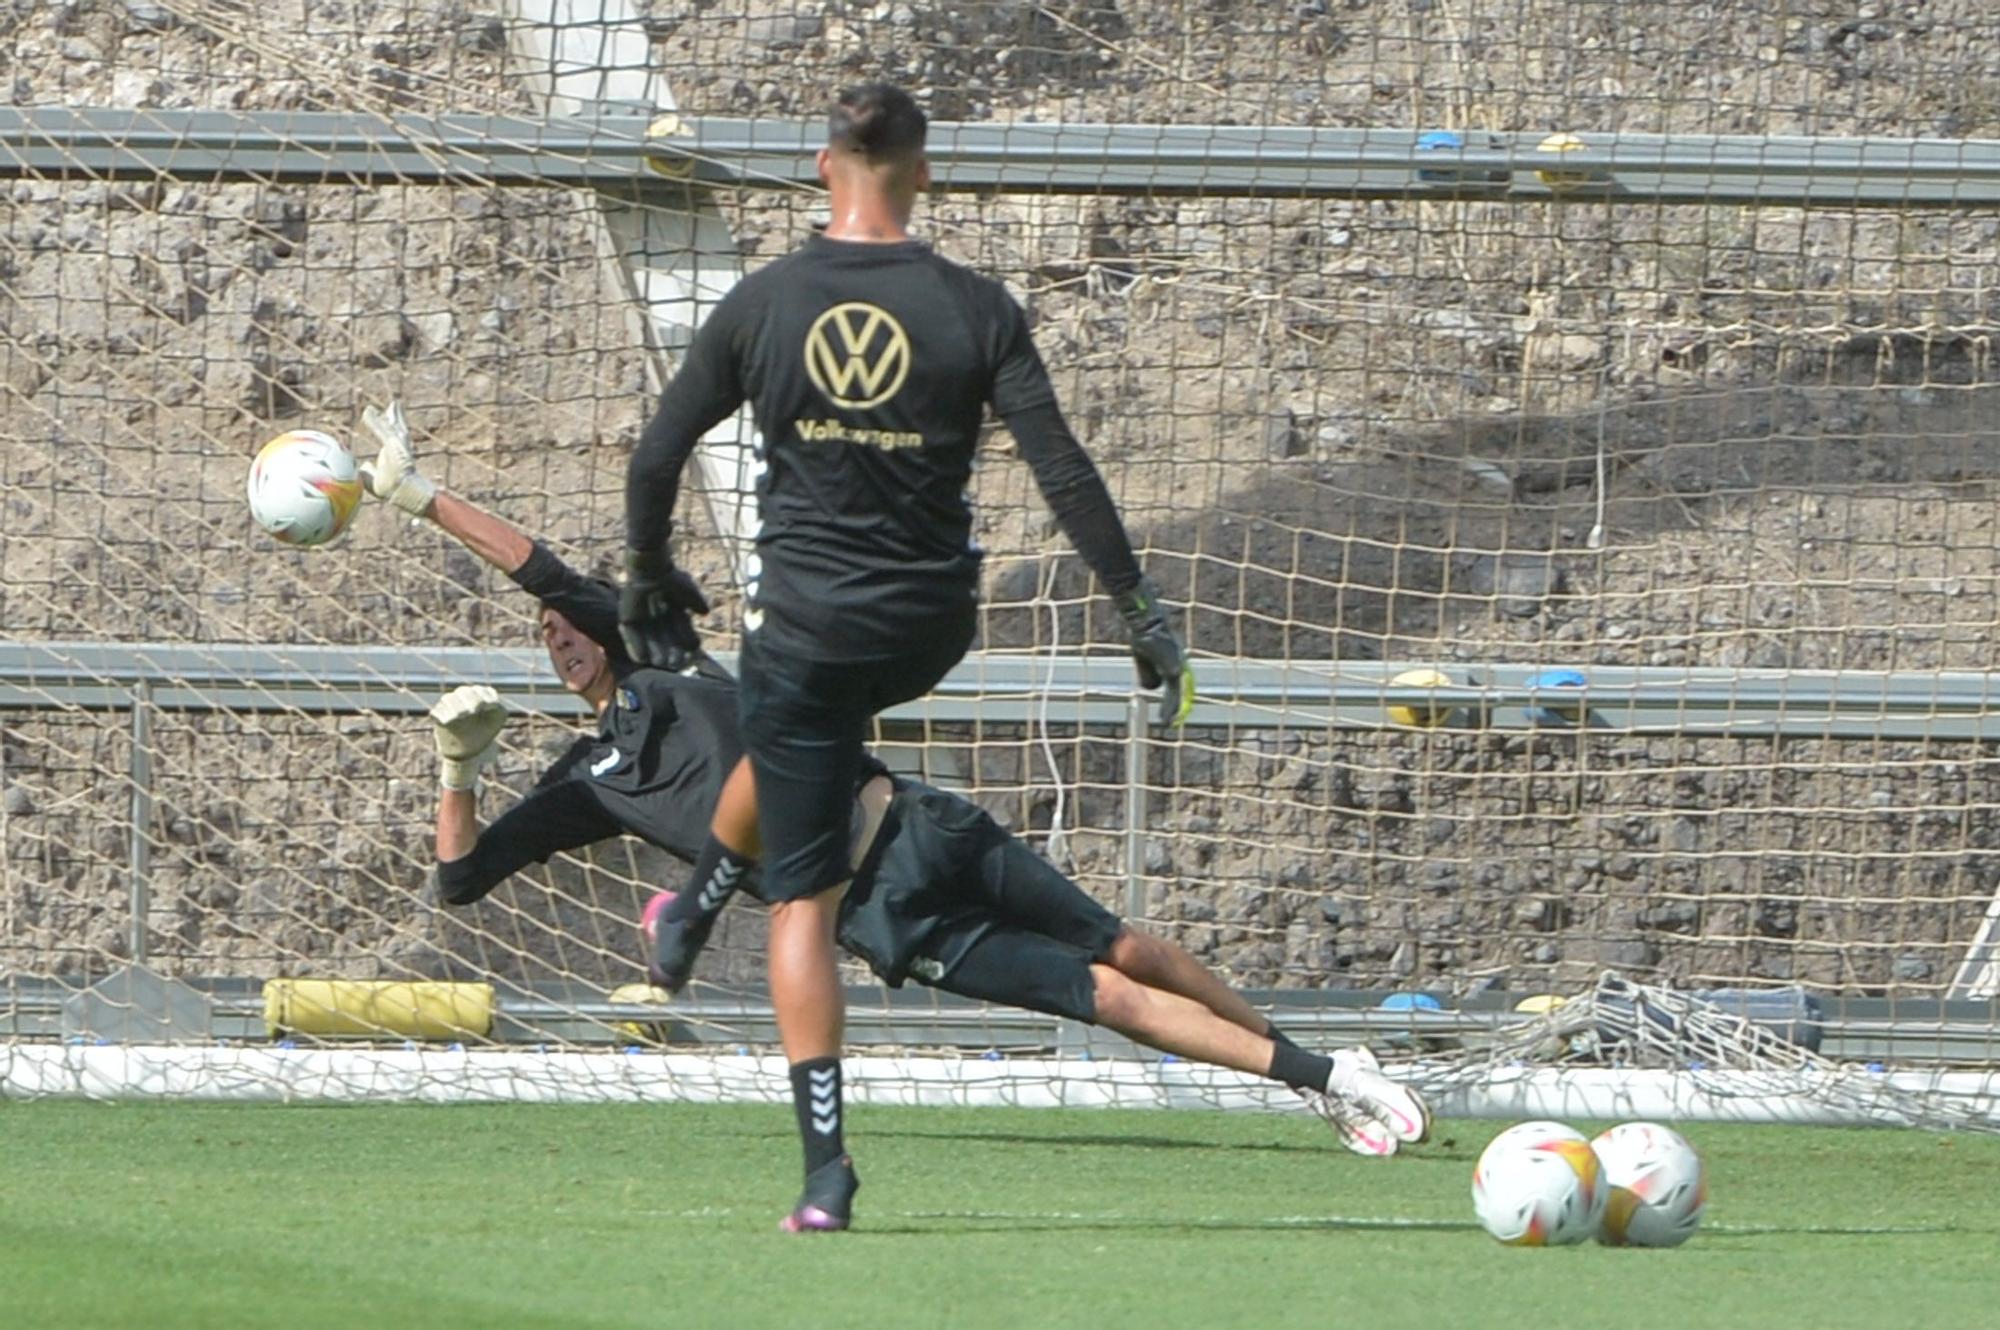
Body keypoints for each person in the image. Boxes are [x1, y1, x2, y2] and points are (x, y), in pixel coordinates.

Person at [356, 410, 1427, 1208]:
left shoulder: (659, 667)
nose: (562, 638)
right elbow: (460, 880)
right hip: (883, 917)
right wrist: (459, 767)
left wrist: (421, 498)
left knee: (1130, 947)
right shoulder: (586, 784)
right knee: (1105, 996)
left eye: (569, 627)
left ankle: (1315, 1074)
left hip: (919, 823)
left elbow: (536, 567)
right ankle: (1326, 1075)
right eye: (548, 642)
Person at [619, 82, 1193, 1231]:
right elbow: (1062, 470)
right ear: (923, 172)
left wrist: (646, 571)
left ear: (820, 165)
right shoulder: (974, 306)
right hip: (927, 630)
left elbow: (654, 456)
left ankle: (823, 1170)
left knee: (802, 885)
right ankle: (687, 908)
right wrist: (1137, 610)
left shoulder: (764, 302)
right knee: (800, 739)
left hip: (807, 629)